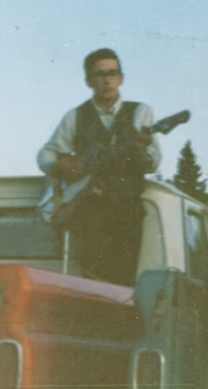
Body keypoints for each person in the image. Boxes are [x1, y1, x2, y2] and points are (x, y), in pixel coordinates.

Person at [37, 48, 161, 286]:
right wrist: (62, 165)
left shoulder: (140, 113)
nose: (107, 80)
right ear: (88, 81)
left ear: (121, 78)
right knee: (93, 282)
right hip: (89, 212)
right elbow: (45, 155)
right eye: (99, 74)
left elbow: (153, 162)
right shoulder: (75, 116)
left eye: (112, 73)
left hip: (127, 211)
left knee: (125, 284)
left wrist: (138, 150)